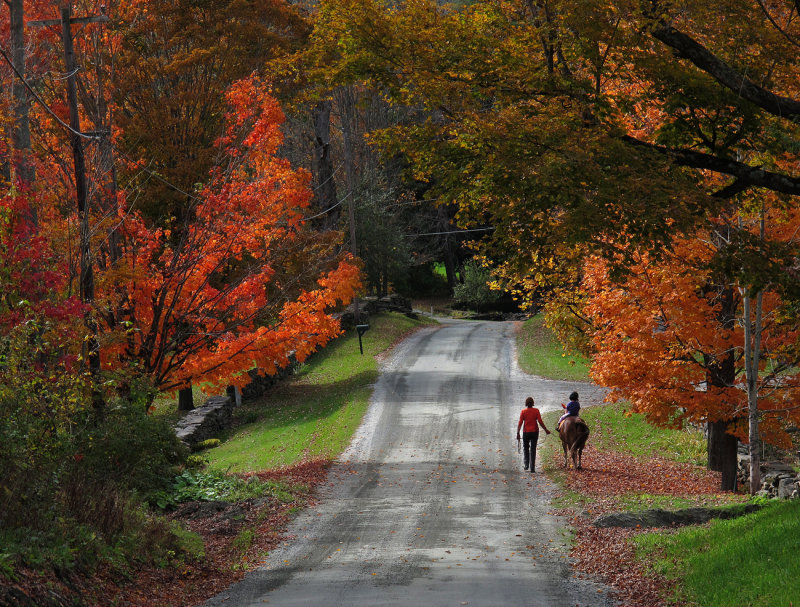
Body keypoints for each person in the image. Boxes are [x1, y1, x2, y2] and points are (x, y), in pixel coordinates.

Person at [516, 396, 551, 473]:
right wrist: (546, 430)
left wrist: (518, 433)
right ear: (533, 403)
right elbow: (540, 421)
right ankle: (532, 468)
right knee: (533, 449)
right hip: (534, 432)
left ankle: (526, 465)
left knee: (525, 448)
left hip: (526, 432)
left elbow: (520, 423)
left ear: (526, 404)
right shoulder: (536, 411)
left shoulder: (523, 411)